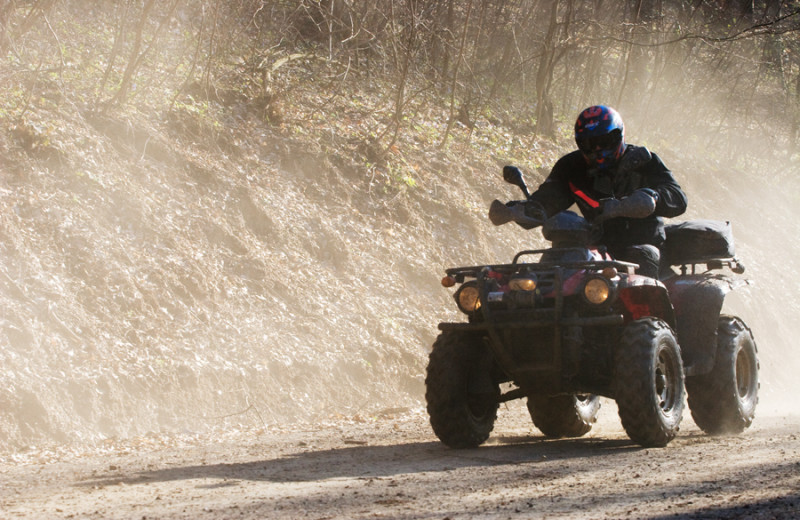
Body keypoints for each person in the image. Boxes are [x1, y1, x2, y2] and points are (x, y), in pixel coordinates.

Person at [506, 105, 687, 277]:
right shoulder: (571, 166)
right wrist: (518, 211)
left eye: (604, 141)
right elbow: (549, 197)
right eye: (590, 144)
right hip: (591, 248)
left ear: (618, 136)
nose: (598, 149)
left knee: (642, 256)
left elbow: (678, 198)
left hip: (642, 244)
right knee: (552, 268)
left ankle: (648, 311)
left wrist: (652, 197)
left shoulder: (644, 161)